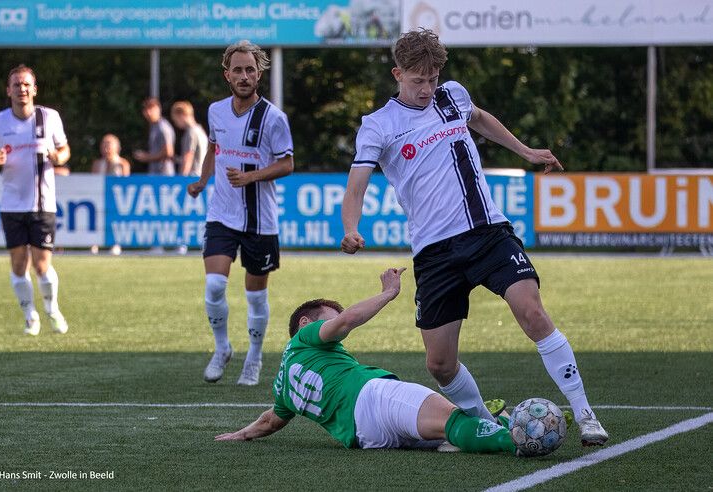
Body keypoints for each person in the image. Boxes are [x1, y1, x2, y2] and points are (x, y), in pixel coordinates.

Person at [340, 29, 608, 447]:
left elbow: (480, 118)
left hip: (487, 233)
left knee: (532, 312)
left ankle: (586, 413)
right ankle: (487, 422)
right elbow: (356, 183)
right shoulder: (378, 125)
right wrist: (351, 227)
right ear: (398, 74)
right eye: (418, 80)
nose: (427, 89)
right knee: (440, 364)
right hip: (434, 252)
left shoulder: (452, 96)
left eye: (433, 78)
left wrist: (526, 151)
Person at [215, 267, 517, 455]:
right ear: (306, 323)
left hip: (366, 436)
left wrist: (241, 434)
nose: (334, 328)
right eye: (328, 320)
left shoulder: (284, 384)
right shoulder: (304, 338)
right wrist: (388, 292)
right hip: (373, 398)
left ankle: (500, 421)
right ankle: (520, 438)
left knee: (451, 432)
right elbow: (346, 321)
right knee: (456, 422)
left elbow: (270, 421)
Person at [187, 40, 294, 386]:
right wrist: (203, 181)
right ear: (227, 74)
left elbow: (288, 163)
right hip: (221, 214)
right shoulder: (216, 111)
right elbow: (214, 149)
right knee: (214, 286)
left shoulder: (273, 118)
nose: (244, 76)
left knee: (254, 295)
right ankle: (222, 348)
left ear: (259, 73)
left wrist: (250, 176)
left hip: (260, 222)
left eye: (250, 69)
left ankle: (255, 356)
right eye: (238, 70)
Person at [0, 64, 70, 335]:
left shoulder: (49, 117)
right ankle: (30, 315)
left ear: (34, 89)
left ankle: (52, 309)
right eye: (17, 85)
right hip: (11, 204)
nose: (22, 89)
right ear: (9, 90)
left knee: (42, 265)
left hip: (43, 204)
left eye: (26, 84)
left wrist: (58, 157)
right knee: (19, 265)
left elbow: (64, 150)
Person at [133, 97, 175, 176]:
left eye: (151, 109)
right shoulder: (154, 127)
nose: (148, 113)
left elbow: (168, 152)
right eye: (146, 110)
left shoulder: (163, 127)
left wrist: (146, 157)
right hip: (155, 173)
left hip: (164, 174)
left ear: (158, 109)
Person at [170, 101, 208, 177]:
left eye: (175, 120)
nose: (176, 123)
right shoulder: (200, 131)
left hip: (192, 177)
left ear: (181, 115)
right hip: (202, 176)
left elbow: (188, 157)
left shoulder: (191, 133)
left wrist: (182, 180)